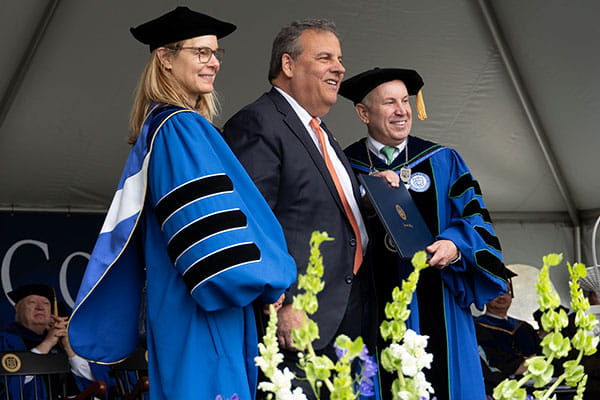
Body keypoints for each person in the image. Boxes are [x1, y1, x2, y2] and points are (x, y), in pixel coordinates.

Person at [67, 7, 296, 400]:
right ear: (166, 58)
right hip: (205, 306)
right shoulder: (178, 128)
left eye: (216, 53)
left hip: (189, 303)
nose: (213, 63)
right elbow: (207, 234)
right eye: (200, 52)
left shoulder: (167, 127)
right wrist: (268, 281)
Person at [222, 19, 372, 397]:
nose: (339, 68)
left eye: (340, 59)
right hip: (297, 319)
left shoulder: (320, 131)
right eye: (325, 58)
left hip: (344, 316)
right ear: (288, 65)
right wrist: (281, 302)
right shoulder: (259, 122)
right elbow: (251, 222)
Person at [340, 67, 508, 400]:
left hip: (439, 303)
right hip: (371, 305)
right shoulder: (345, 166)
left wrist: (455, 245)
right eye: (389, 103)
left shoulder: (443, 161)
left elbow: (478, 220)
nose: (402, 110)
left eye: (405, 101)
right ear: (363, 112)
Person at [0, 284, 105, 399]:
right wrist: (47, 343)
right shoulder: (5, 340)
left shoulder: (62, 340)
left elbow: (96, 383)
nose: (40, 307)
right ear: (17, 308)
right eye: (32, 302)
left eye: (46, 303)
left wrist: (68, 348)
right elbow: (9, 387)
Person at [474, 276, 540, 394]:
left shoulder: (525, 327)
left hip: (535, 388)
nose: (502, 296)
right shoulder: (477, 327)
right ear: (484, 295)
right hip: (499, 389)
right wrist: (522, 365)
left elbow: (541, 354)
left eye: (507, 292)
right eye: (496, 291)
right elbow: (490, 360)